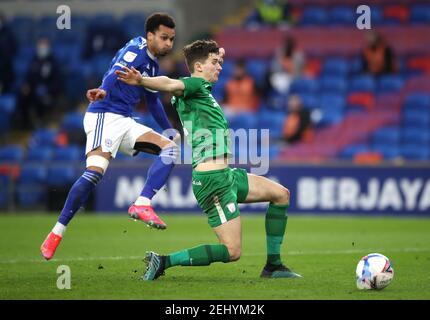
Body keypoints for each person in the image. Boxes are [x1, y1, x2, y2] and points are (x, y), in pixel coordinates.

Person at [116, 40, 302, 280]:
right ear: (198, 67)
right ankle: (163, 261)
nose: (219, 67)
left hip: (227, 175)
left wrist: (217, 52)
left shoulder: (202, 90)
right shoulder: (192, 84)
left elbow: (203, 63)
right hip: (213, 180)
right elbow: (170, 83)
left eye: (220, 63)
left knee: (281, 195)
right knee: (232, 251)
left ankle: (273, 266)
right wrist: (142, 80)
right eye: (214, 63)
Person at [40, 13, 180, 260]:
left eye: (171, 39)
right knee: (94, 174)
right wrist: (104, 90)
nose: (168, 44)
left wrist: (168, 128)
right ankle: (56, 233)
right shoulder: (136, 51)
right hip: (103, 116)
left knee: (170, 149)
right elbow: (115, 71)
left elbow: (152, 101)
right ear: (150, 36)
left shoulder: (151, 64)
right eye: (164, 38)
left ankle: (142, 203)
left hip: (124, 121)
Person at [15, 37, 62, 130]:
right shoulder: (34, 60)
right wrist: (26, 86)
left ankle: (40, 123)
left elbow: (57, 83)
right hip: (33, 90)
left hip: (48, 92)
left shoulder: (53, 62)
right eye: (40, 46)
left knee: (39, 97)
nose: (42, 48)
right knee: (22, 95)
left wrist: (47, 89)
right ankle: (24, 123)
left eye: (44, 46)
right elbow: (28, 77)